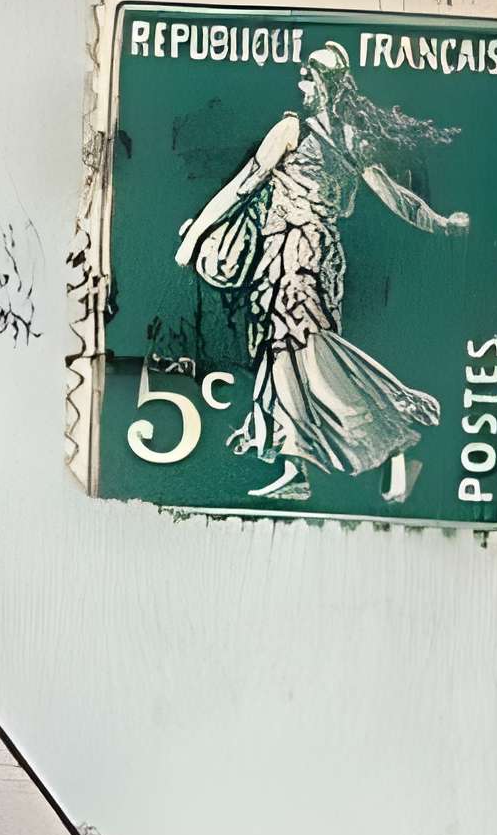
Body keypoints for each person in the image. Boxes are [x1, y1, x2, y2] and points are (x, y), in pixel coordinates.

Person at [172, 42, 468, 503]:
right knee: (285, 354)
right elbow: (397, 199)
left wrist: (194, 238)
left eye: (308, 77)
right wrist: (441, 223)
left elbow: (242, 186)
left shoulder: (293, 129)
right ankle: (297, 466)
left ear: (324, 84)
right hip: (314, 256)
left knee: (302, 351)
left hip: (293, 253)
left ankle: (389, 426)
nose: (301, 85)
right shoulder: (352, 140)